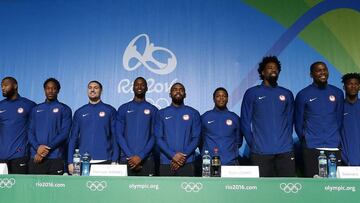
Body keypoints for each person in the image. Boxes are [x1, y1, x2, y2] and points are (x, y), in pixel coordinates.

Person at [241, 56, 295, 177]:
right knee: (263, 193)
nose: (273, 70)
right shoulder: (252, 93)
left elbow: (290, 121)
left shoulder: (287, 94)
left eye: (276, 68)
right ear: (262, 72)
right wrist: (254, 144)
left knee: (288, 192)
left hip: (285, 151)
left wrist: (286, 142)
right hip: (260, 152)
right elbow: (245, 123)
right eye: (270, 68)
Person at [295, 61, 344, 177]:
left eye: (324, 70)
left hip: (333, 145)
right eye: (318, 70)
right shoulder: (303, 94)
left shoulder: (338, 93)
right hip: (312, 146)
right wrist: (306, 138)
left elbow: (339, 120)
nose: (323, 73)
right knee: (313, 186)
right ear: (311, 75)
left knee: (334, 186)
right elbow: (298, 122)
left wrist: (335, 137)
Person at [68, 81, 118, 174]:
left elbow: (115, 137)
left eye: (96, 87)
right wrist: (70, 161)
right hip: (83, 161)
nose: (92, 90)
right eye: (90, 87)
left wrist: (115, 159)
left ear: (101, 91)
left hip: (105, 160)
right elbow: (73, 138)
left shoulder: (110, 110)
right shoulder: (80, 112)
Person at [154, 82, 201, 176]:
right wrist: (173, 155)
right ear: (170, 94)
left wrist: (183, 156)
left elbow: (196, 138)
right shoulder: (161, 113)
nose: (178, 91)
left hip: (187, 162)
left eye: (181, 90)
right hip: (166, 162)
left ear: (185, 94)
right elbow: (158, 138)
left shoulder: (194, 113)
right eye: (175, 89)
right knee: (165, 191)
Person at [28, 78, 72, 175]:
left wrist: (46, 149)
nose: (50, 91)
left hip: (55, 157)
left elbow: (64, 133)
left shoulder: (65, 109)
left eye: (53, 88)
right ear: (44, 90)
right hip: (36, 157)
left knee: (56, 189)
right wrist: (37, 148)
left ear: (58, 90)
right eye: (48, 88)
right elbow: (30, 132)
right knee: (34, 190)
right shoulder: (35, 109)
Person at [116, 77, 158, 176]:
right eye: (137, 84)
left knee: (148, 190)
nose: (139, 86)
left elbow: (154, 136)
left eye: (142, 84)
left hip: (147, 159)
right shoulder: (123, 108)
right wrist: (131, 156)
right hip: (126, 158)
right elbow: (118, 134)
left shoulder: (153, 110)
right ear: (133, 88)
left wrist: (141, 156)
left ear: (147, 88)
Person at [0, 77, 36, 174]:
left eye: (6, 85)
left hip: (20, 156)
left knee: (20, 188)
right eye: (1, 85)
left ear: (15, 86)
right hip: (1, 157)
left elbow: (35, 130)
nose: (2, 88)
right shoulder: (1, 105)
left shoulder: (29, 105)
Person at [201, 87, 242, 165]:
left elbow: (238, 141)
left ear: (227, 99)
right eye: (218, 96)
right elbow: (200, 140)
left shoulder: (235, 118)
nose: (221, 98)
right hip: (209, 163)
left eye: (224, 96)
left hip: (230, 163)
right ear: (213, 99)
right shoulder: (205, 117)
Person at [341, 73, 360, 166]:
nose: (353, 86)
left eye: (356, 84)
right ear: (344, 87)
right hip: (344, 158)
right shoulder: (338, 107)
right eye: (350, 84)